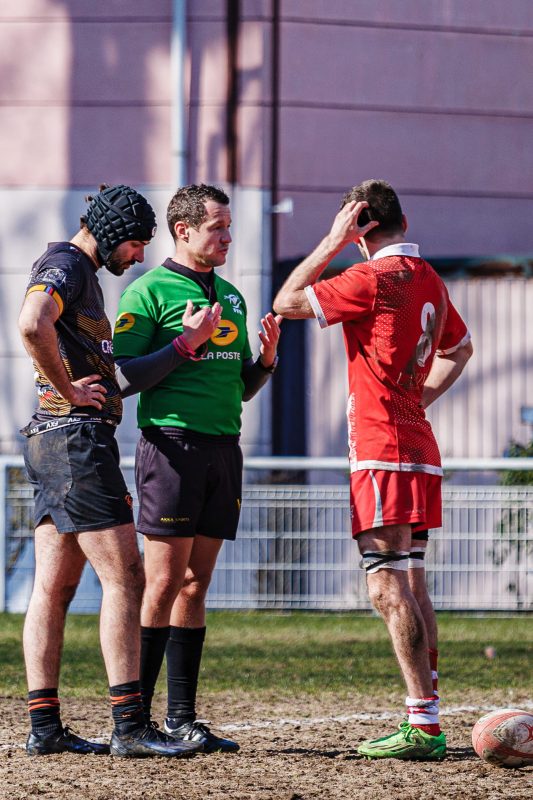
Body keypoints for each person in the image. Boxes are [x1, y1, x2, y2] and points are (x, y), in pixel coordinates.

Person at [273, 179, 473, 760]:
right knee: (412, 581)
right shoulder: (429, 277)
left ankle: (423, 726)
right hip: (417, 444)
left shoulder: (371, 276)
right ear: (403, 222)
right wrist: (416, 401)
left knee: (385, 583)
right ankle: (427, 713)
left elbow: (286, 301)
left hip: (381, 448)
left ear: (360, 228)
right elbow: (459, 350)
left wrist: (331, 240)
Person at [18, 184, 202, 759]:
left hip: (53, 443)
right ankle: (129, 725)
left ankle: (45, 728)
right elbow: (31, 323)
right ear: (111, 232)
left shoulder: (78, 273)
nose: (140, 257)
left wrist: (182, 346)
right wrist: (70, 389)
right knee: (128, 578)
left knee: (56, 585)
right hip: (76, 444)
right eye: (137, 244)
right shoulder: (67, 264)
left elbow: (118, 376)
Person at [112, 183, 281, 753]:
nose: (228, 236)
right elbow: (125, 377)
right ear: (183, 230)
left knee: (195, 584)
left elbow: (240, 388)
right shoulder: (147, 291)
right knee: (159, 584)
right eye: (217, 227)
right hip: (172, 447)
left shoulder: (231, 297)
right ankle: (135, 724)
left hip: (222, 450)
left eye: (229, 226)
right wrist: (185, 344)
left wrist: (266, 362)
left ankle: (182, 720)